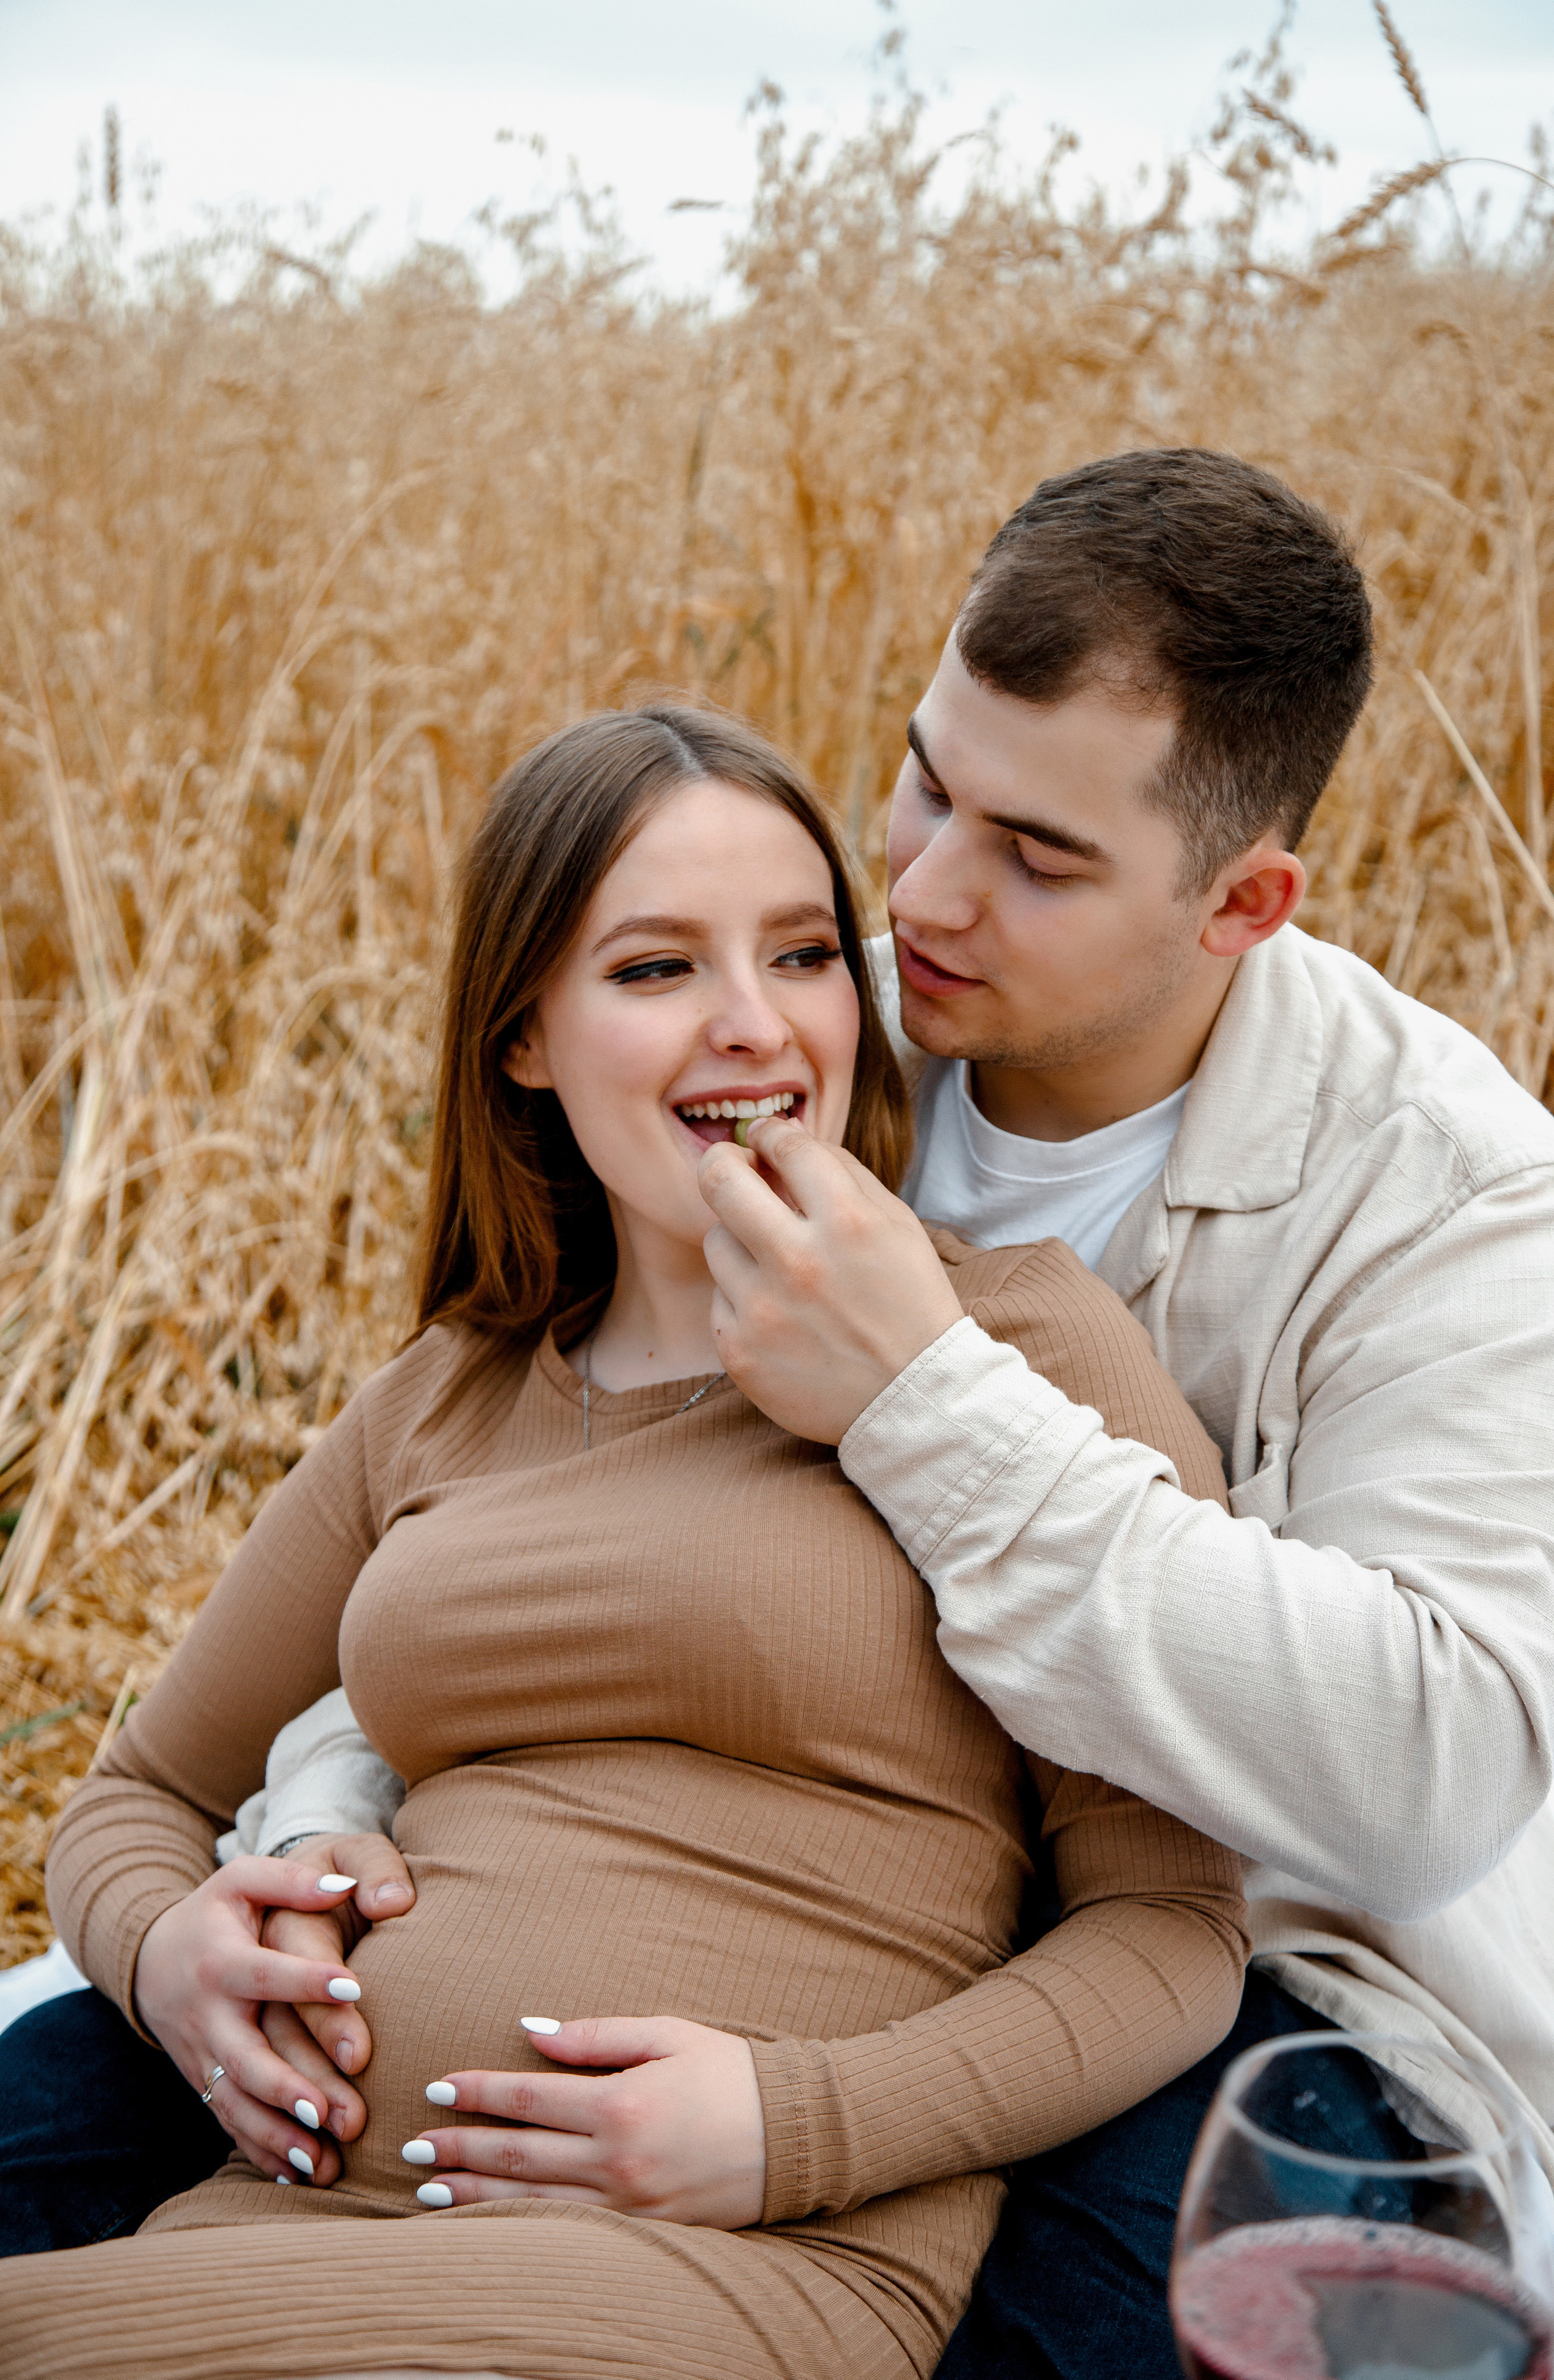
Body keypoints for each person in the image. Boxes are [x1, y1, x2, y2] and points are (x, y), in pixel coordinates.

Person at [8, 444, 1554, 2369]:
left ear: (1242, 904)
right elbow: (521, 1517)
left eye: (1038, 853)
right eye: (930, 779)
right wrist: (326, 1839)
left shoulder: (1450, 1201)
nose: (920, 888)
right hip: (500, 2039)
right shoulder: (809, 1054)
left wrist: (919, 1395)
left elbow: (1417, 1783)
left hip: (1269, 1980)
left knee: (1106, 2304)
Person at [0, 705, 1248, 2380]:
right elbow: (135, 1797)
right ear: (524, 1033)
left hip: (707, 2275)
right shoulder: (444, 1398)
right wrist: (173, 1955)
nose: (758, 1027)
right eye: (656, 971)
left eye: (805, 954)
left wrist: (795, 2123)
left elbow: (1173, 1927)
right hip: (279, 2229)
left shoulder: (1013, 1353)